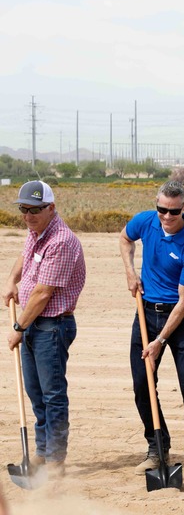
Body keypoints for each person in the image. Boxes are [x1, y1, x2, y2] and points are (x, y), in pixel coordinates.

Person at [119, 181, 184, 482]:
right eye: (162, 209)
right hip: (146, 312)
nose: (167, 216)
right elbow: (125, 238)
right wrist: (131, 272)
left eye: (173, 211)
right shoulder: (146, 221)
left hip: (182, 319)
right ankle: (157, 449)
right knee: (142, 384)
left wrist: (160, 340)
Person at [2, 181, 86, 479]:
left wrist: (18, 327)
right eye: (24, 209)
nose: (28, 215)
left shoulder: (61, 241)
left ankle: (55, 461)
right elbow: (25, 256)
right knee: (35, 393)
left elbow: (42, 293)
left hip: (51, 326)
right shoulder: (36, 231)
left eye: (35, 210)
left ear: (51, 208)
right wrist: (12, 280)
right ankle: (41, 450)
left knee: (53, 395)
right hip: (32, 323)